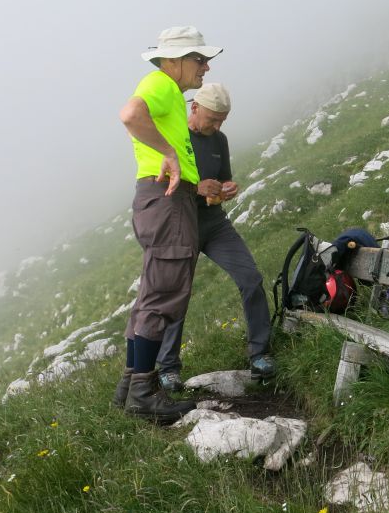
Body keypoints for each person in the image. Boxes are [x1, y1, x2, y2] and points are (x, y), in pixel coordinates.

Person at [113, 26, 222, 422]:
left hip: (167, 198)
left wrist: (195, 183)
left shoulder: (171, 93)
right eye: (198, 59)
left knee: (151, 293)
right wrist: (170, 153)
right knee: (163, 295)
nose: (205, 66)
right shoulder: (159, 82)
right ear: (173, 60)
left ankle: (130, 385)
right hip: (166, 202)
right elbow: (130, 115)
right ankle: (145, 391)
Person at [154, 82, 276, 392]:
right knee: (177, 295)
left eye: (222, 120)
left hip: (214, 224)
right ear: (194, 108)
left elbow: (222, 182)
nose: (217, 126)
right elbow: (158, 188)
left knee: (250, 278)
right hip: (182, 226)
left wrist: (227, 190)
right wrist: (195, 188)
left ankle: (260, 355)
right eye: (212, 119)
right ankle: (168, 369)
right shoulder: (174, 138)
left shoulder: (219, 140)